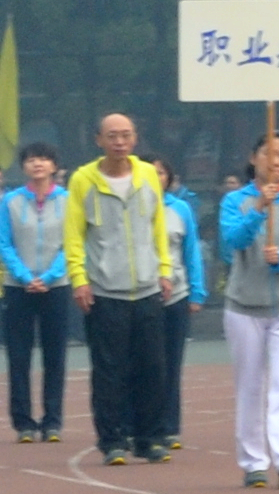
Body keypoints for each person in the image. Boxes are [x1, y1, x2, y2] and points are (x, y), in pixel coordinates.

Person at [66, 112, 193, 465]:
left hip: (148, 289)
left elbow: (157, 227)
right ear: (99, 140)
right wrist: (79, 278)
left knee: (153, 367)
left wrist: (164, 271)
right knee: (109, 371)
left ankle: (150, 438)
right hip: (105, 292)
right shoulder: (83, 180)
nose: (119, 142)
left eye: (125, 135)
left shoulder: (148, 175)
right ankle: (112, 440)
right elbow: (74, 235)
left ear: (135, 138)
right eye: (112, 136)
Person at [217, 133, 279, 489]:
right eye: (269, 154)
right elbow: (231, 242)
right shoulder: (235, 201)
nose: (277, 162)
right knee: (250, 386)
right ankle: (253, 462)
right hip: (244, 306)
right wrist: (259, 207)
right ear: (254, 158)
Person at [6, 145, 71, 442]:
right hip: (18, 288)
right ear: (24, 167)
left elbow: (71, 244)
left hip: (56, 287)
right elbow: (5, 244)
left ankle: (52, 421)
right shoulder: (10, 202)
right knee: (19, 356)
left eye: (44, 159)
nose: (38, 164)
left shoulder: (69, 202)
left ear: (54, 165)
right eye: (31, 160)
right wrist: (24, 276)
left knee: (55, 354)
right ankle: (24, 423)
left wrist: (48, 277)